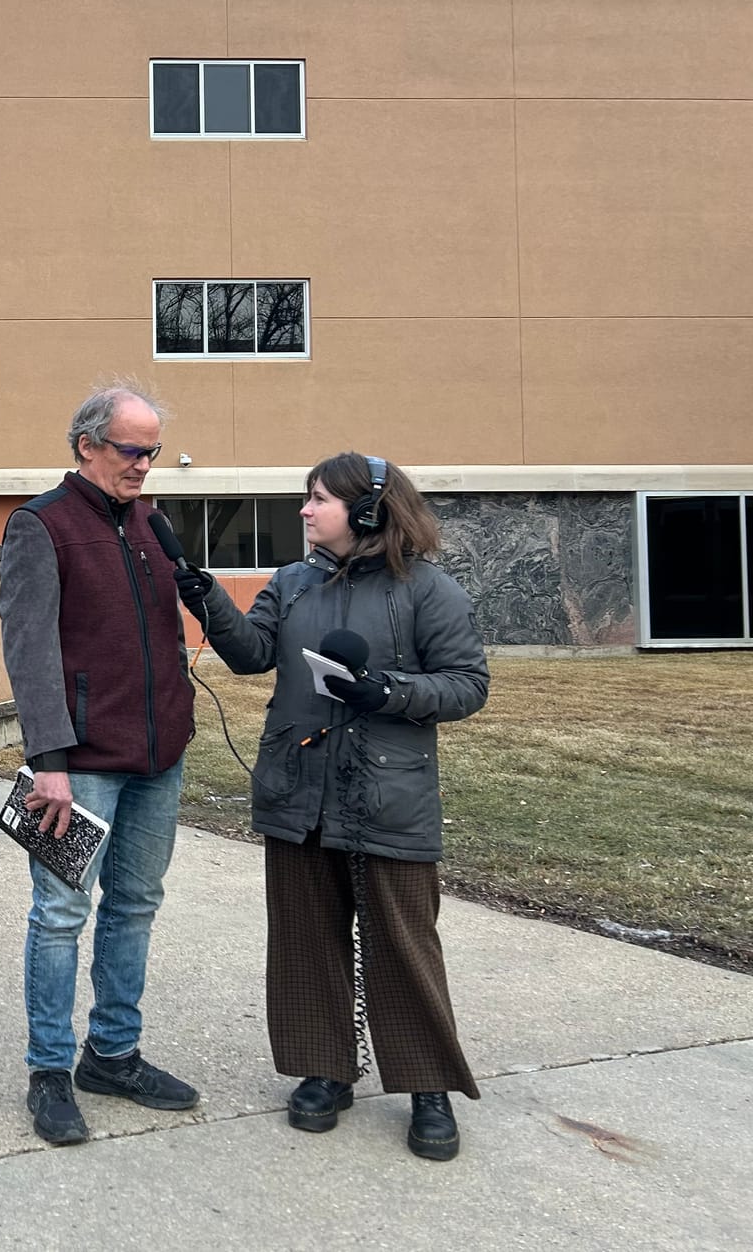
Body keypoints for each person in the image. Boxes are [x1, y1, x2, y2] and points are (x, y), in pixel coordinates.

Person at [172, 453, 488, 1161]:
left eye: (318, 500)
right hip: (298, 791)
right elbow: (253, 655)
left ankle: (428, 1087)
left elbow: (468, 684)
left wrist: (389, 693)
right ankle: (327, 1070)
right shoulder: (292, 582)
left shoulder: (428, 590)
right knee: (306, 939)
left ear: (368, 509)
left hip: (389, 795)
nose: (306, 511)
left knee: (403, 944)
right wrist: (207, 597)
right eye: (306, 499)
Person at [0, 385, 202, 1146]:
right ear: (86, 444)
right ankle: (49, 1070)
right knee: (59, 915)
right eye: (131, 450)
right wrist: (48, 758)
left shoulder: (151, 523)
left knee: (135, 906)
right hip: (77, 765)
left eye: (152, 451)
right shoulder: (39, 525)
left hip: (158, 758)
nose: (145, 465)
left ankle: (112, 1054)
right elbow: (29, 648)